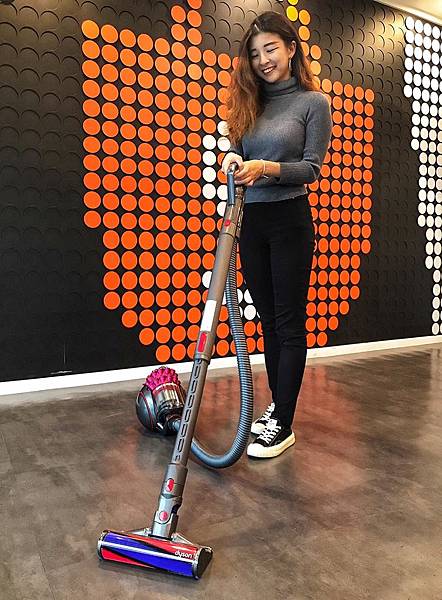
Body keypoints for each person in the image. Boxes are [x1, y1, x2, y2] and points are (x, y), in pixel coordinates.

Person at [221, 11, 332, 459]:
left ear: (290, 48)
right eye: (255, 54)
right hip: (251, 221)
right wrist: (232, 158)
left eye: (270, 49)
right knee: (266, 321)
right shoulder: (249, 102)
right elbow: (237, 148)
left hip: (289, 220)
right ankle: (275, 409)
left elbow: (311, 169)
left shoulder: (313, 103)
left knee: (288, 323)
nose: (263, 60)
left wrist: (265, 168)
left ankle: (283, 423)